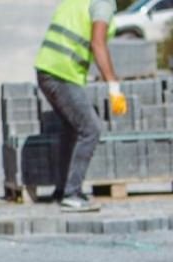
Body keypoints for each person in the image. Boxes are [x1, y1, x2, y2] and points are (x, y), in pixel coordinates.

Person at [35, 0, 127, 212]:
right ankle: (72, 194)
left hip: (47, 70)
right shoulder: (103, 3)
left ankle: (62, 189)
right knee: (91, 129)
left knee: (72, 129)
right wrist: (113, 85)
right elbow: (98, 43)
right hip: (61, 74)